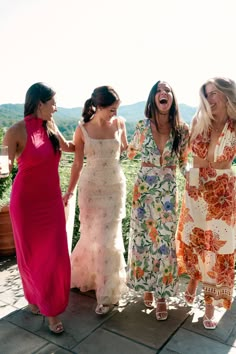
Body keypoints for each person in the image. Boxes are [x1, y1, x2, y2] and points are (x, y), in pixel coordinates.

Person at [3, 82, 74, 334]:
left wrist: (93, 135)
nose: (55, 108)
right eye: (52, 103)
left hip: (51, 201)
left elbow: (70, 148)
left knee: (53, 255)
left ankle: (48, 303)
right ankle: (47, 309)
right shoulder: (14, 131)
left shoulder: (51, 127)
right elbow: (3, 167)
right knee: (31, 256)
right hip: (26, 204)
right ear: (39, 103)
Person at [126, 81, 190, 320]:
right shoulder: (142, 126)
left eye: (168, 90)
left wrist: (198, 179)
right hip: (143, 189)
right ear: (153, 98)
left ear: (172, 98)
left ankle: (162, 295)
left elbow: (184, 163)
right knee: (143, 240)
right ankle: (147, 287)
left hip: (167, 192)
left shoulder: (182, 130)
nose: (164, 93)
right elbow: (131, 153)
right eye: (159, 91)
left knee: (163, 243)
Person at [176, 77, 236, 329]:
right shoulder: (197, 121)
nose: (210, 99)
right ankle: (193, 279)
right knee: (196, 240)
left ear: (225, 95)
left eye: (214, 94)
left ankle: (209, 302)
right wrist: (185, 175)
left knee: (218, 245)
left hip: (223, 188)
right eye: (207, 94)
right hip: (196, 187)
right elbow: (183, 153)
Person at [63, 85, 128, 315]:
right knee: (91, 235)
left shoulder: (120, 124)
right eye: (111, 109)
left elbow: (128, 150)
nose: (115, 113)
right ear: (99, 106)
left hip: (114, 187)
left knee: (108, 240)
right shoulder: (82, 129)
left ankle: (106, 294)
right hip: (90, 189)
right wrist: (69, 192)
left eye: (116, 109)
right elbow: (78, 163)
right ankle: (88, 278)